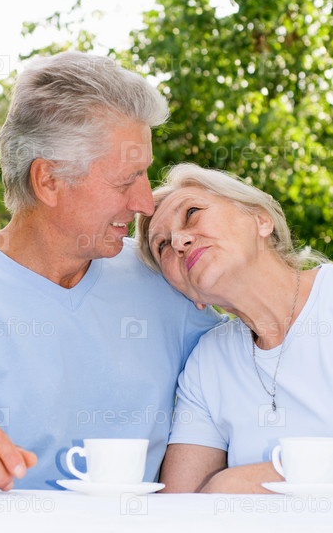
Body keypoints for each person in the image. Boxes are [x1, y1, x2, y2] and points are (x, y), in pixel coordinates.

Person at [0, 53, 222, 493]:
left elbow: (258, 361)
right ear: (48, 180)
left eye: (145, 175)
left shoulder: (164, 277)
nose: (145, 203)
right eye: (126, 181)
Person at [136, 162, 333, 494]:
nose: (179, 241)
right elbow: (180, 507)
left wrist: (233, 482)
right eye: (163, 246)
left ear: (261, 219)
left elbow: (215, 493)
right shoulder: (208, 362)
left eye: (192, 213)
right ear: (190, 295)